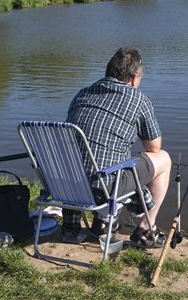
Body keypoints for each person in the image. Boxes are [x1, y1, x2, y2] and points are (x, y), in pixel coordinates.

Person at [63, 47, 172, 247]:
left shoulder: (82, 94)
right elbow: (154, 147)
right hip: (104, 188)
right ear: (134, 78)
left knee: (105, 157)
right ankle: (146, 228)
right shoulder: (138, 99)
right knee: (163, 159)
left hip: (69, 184)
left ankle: (102, 222)